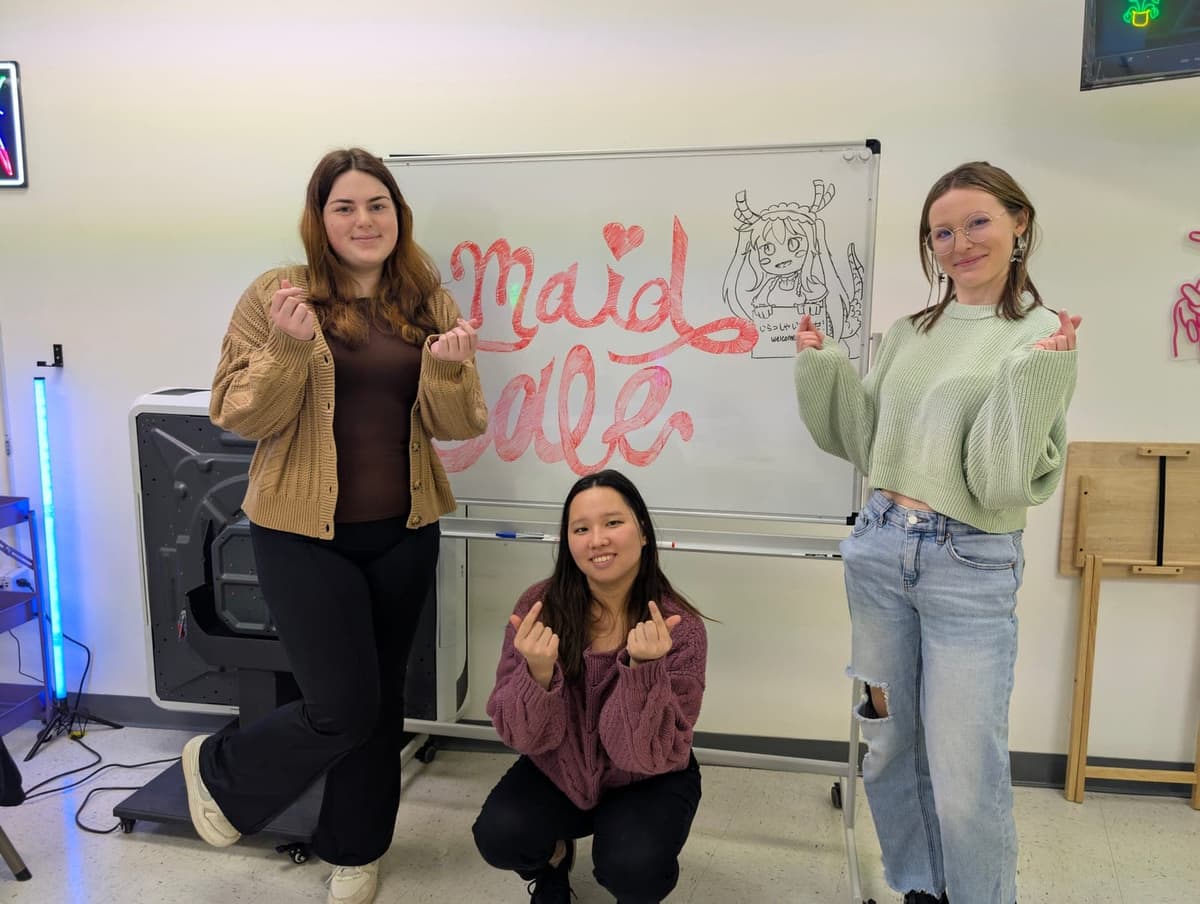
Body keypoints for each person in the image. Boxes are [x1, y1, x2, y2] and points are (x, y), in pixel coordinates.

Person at [181, 147, 488, 904]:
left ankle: (356, 849)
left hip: (405, 530)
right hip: (299, 534)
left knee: (382, 705)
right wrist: (287, 347)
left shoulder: (427, 300)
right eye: (344, 206)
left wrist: (448, 369)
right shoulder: (276, 296)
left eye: (377, 205)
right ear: (320, 219)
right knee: (340, 707)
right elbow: (236, 412)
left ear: (398, 216)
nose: (363, 220)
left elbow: (459, 423)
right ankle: (218, 768)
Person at [793, 161, 1080, 904]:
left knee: (964, 773)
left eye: (977, 222)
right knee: (888, 748)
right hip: (881, 549)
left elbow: (1001, 480)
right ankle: (921, 888)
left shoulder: (1042, 337)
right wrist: (821, 367)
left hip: (968, 563)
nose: (959, 243)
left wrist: (1031, 384)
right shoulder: (910, 333)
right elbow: (866, 438)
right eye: (941, 231)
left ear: (1020, 223)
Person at [472, 469, 706, 904]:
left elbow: (643, 754)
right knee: (499, 835)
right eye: (581, 528)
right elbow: (518, 737)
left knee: (634, 865)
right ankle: (554, 860)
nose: (597, 539)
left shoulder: (680, 629)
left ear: (643, 532)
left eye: (613, 523)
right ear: (569, 542)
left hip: (650, 774)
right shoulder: (537, 608)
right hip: (561, 768)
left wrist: (643, 671)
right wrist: (538, 675)